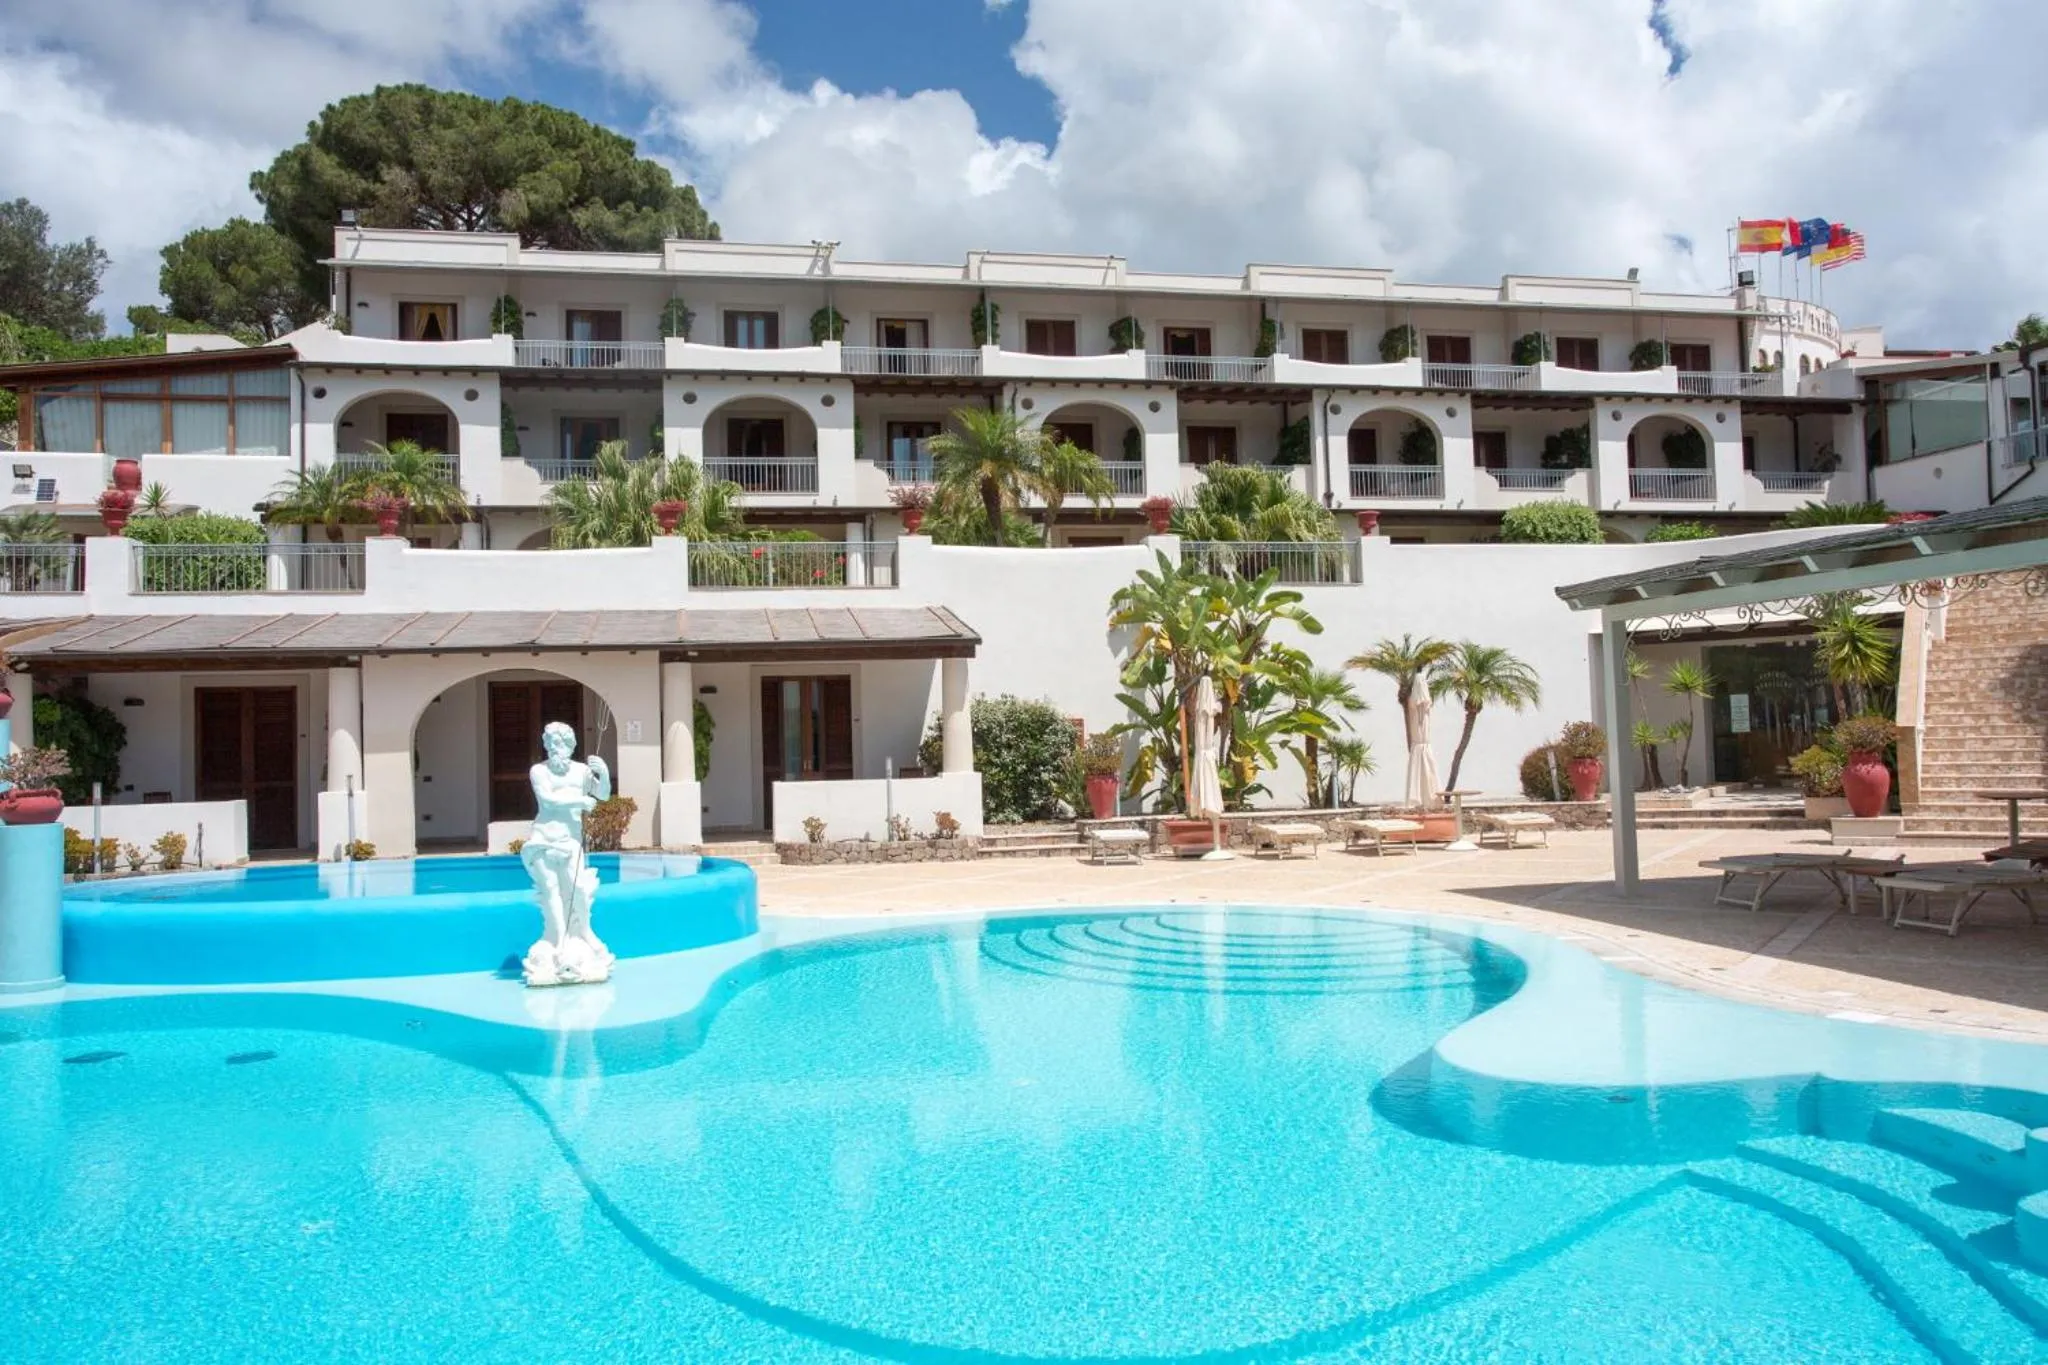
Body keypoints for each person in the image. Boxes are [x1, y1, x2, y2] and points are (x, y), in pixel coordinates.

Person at [520, 721, 614, 986]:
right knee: (550, 890)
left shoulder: (582, 771)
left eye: (559, 743)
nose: (553, 748)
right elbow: (547, 801)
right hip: (544, 837)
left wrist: (603, 774)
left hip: (571, 840)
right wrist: (580, 801)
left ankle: (581, 935)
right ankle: (557, 939)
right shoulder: (539, 771)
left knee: (576, 889)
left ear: (571, 745)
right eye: (549, 743)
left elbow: (603, 796)